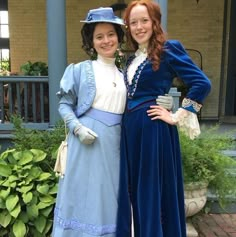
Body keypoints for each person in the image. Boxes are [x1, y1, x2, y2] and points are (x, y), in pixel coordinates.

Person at [52, 6, 172, 237]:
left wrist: (167, 104)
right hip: (86, 145)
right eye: (99, 36)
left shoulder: (125, 74)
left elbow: (139, 102)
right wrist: (77, 128)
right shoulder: (79, 70)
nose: (106, 41)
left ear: (118, 37)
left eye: (111, 35)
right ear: (91, 41)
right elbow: (64, 104)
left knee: (111, 201)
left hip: (117, 147)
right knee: (84, 198)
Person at [115, 1, 211, 237]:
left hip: (153, 132)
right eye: (133, 22)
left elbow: (202, 83)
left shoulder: (168, 49)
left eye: (144, 21)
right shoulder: (132, 59)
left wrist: (176, 115)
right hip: (131, 132)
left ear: (155, 22)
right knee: (133, 191)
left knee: (150, 189)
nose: (138, 27)